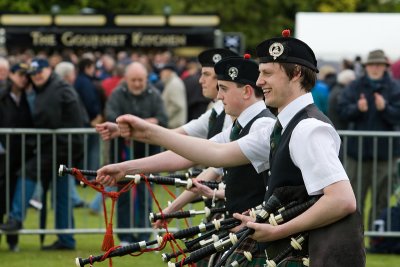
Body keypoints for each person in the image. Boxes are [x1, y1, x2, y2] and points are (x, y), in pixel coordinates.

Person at [100, 30, 365, 266]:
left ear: (296, 74)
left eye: (268, 73)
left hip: (307, 252)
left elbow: (342, 200)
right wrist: (136, 152)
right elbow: (214, 153)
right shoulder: (283, 126)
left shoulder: (308, 128)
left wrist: (277, 230)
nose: (259, 82)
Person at [0, 58, 85, 250]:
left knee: (28, 172)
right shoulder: (53, 87)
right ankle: (66, 239)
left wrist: (33, 142)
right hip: (66, 146)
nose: (36, 75)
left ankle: (16, 219)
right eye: (33, 73)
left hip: (59, 146)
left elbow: (49, 121)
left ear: (49, 70)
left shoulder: (53, 90)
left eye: (40, 71)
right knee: (62, 193)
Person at [105, 61, 168, 245]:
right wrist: (142, 125)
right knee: (123, 193)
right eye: (134, 80)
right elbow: (111, 116)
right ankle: (124, 235)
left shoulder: (154, 94)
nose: (138, 84)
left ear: (146, 79)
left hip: (149, 153)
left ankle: (144, 234)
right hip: (122, 151)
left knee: (146, 194)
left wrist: (135, 125)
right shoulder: (117, 94)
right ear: (126, 79)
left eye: (141, 80)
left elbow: (163, 118)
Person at [337, 49, 400, 230]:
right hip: (357, 153)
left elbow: (397, 115)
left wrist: (385, 108)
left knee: (383, 197)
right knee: (354, 198)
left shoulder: (395, 87)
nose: (375, 68)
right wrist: (357, 108)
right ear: (366, 67)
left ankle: (378, 236)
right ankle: (354, 238)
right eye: (372, 64)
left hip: (385, 154)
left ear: (385, 67)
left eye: (379, 64)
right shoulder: (354, 86)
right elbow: (342, 110)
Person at [0, 62, 32, 252]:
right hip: (3, 156)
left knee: (13, 197)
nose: (23, 78)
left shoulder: (29, 97)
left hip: (20, 156)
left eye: (25, 75)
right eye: (19, 74)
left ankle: (13, 241)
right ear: (11, 75)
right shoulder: (3, 96)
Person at [159, 63, 188, 128]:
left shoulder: (174, 84)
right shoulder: (171, 82)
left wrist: (164, 116)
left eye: (162, 72)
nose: (160, 75)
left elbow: (177, 105)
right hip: (174, 124)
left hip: (174, 125)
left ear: (168, 72)